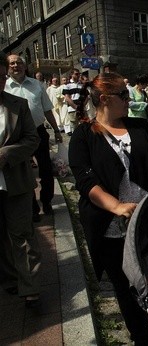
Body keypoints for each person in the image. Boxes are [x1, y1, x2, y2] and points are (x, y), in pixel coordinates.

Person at [68, 72, 148, 344]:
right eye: (123, 95)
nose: (129, 99)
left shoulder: (141, 127)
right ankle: (143, 337)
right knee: (128, 290)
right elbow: (86, 182)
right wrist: (116, 206)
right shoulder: (83, 136)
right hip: (112, 231)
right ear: (105, 100)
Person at [0, 51, 42, 308]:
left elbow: (33, 139)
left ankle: (31, 288)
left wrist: (6, 154)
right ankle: (10, 279)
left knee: (22, 235)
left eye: (1, 77)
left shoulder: (18, 104)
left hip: (15, 180)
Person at [5, 54, 63, 221]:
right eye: (12, 63)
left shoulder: (37, 85)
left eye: (19, 63)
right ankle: (32, 208)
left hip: (38, 132)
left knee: (45, 170)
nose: (16, 66)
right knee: (24, 172)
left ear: (25, 66)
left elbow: (47, 109)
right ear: (8, 67)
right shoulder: (5, 87)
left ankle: (47, 201)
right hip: (16, 135)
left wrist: (57, 130)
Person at [62, 68, 83, 134]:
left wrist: (82, 106)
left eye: (79, 74)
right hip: (72, 109)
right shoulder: (67, 85)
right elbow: (67, 98)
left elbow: (85, 97)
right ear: (72, 74)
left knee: (83, 126)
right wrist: (75, 106)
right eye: (76, 74)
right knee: (75, 127)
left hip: (81, 109)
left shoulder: (81, 85)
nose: (78, 75)